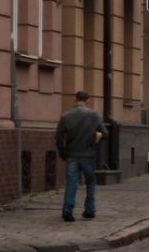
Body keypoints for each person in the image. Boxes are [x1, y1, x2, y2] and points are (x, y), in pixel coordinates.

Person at [56, 90, 107, 222]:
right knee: (90, 182)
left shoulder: (66, 116)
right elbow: (104, 133)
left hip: (72, 154)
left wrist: (63, 153)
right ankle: (89, 210)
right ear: (87, 100)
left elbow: (59, 137)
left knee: (71, 182)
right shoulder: (94, 115)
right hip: (88, 154)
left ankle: (67, 210)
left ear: (75, 99)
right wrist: (95, 142)